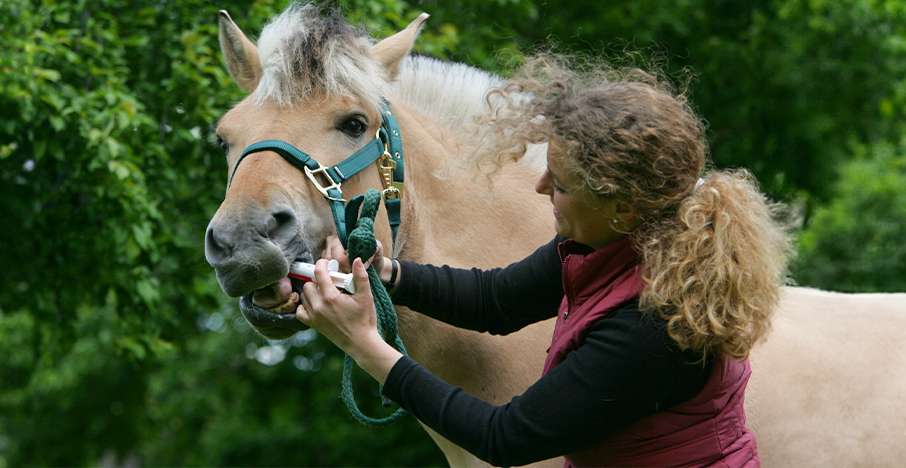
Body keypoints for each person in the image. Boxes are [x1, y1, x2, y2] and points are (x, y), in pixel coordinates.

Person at [292, 58, 794, 468]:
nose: (541, 187)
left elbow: (506, 437)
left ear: (622, 206)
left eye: (563, 184)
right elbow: (496, 301)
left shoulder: (652, 324)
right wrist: (387, 274)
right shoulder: (610, 244)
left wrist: (365, 346)